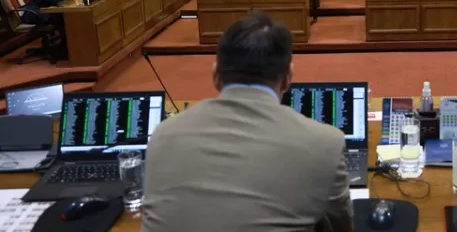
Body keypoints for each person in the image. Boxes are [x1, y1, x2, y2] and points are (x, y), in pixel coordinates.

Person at [142, 12, 354, 232]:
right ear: (288, 78)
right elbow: (342, 228)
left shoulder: (162, 135)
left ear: (215, 75)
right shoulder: (325, 144)